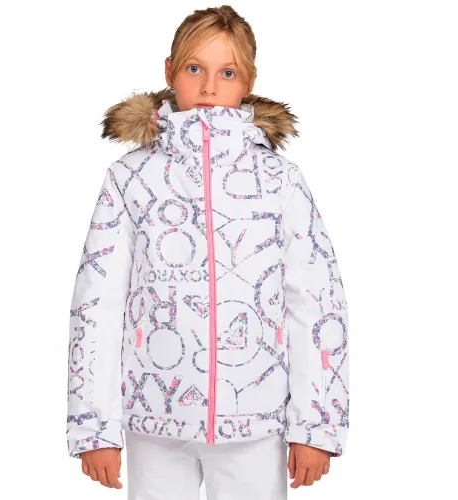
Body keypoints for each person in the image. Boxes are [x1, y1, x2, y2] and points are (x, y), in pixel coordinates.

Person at [66, 5, 349, 499]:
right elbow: (98, 303)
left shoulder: (278, 181)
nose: (209, 87)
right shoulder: (130, 178)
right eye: (194, 68)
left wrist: (316, 426)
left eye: (228, 73)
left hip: (255, 421)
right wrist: (95, 428)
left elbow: (316, 302)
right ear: (170, 71)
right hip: (155, 414)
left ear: (249, 81)